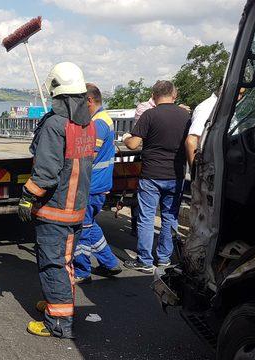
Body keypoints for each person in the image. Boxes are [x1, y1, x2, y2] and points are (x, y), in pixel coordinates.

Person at [18, 62, 95, 338]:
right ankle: (56, 305)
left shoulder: (55, 125)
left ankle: (59, 323)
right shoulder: (85, 125)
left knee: (53, 265)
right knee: (65, 263)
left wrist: (27, 196)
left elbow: (46, 173)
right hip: (74, 210)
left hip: (54, 211)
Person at [123, 80, 190, 273]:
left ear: (153, 96)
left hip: (151, 175)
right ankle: (164, 259)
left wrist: (127, 137)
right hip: (176, 175)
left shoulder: (149, 114)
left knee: (146, 217)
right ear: (174, 94)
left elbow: (133, 145)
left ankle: (145, 260)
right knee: (170, 217)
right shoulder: (185, 116)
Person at [72, 83, 122, 283]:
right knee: (90, 225)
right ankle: (110, 263)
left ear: (89, 101)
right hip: (98, 185)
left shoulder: (97, 124)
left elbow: (87, 156)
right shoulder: (104, 119)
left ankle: (82, 272)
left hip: (91, 185)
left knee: (82, 230)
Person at [186, 87, 220, 166]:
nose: (239, 97)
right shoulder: (206, 108)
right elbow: (191, 142)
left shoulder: (224, 106)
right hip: (213, 167)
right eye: (238, 93)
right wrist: (196, 173)